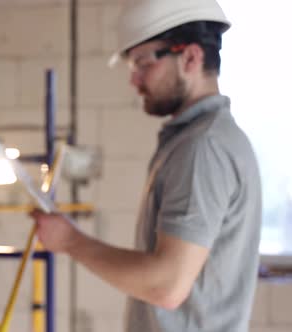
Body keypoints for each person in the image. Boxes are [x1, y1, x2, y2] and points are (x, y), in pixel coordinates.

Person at [29, 0, 262, 331]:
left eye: (142, 63)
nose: (134, 80)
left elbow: (165, 286)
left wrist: (70, 241)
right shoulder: (198, 140)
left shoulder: (203, 147)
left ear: (191, 58)